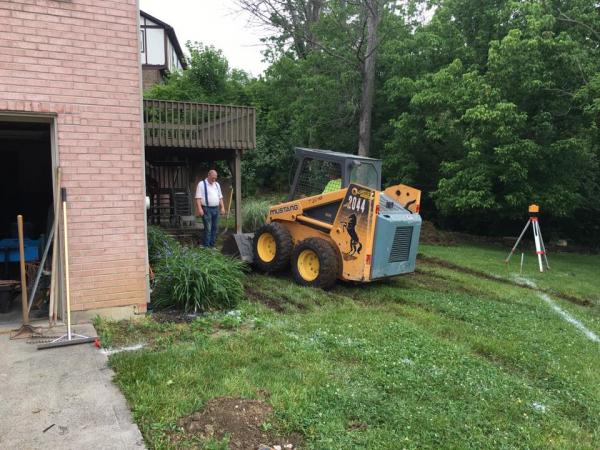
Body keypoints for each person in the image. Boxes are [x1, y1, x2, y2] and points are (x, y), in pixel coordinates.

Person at [195, 169, 225, 248]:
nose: (214, 180)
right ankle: (206, 246)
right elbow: (198, 198)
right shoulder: (201, 184)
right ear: (208, 175)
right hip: (206, 209)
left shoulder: (217, 184)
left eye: (215, 178)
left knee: (215, 228)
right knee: (208, 228)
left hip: (216, 209)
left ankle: (212, 245)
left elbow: (220, 197)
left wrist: (222, 207)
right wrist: (200, 209)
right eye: (212, 178)